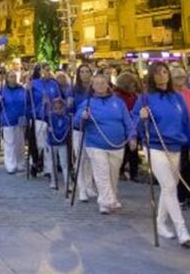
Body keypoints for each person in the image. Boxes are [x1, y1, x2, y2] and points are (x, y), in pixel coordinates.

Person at [134, 62, 190, 247]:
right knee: (169, 187)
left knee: (168, 188)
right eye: (158, 73)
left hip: (176, 146)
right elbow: (135, 125)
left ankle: (161, 222)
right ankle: (181, 229)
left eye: (164, 72)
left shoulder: (177, 98)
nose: (162, 75)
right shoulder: (145, 98)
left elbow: (186, 123)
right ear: (151, 76)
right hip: (155, 146)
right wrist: (141, 117)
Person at [77, 74, 137, 214]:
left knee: (113, 174)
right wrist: (82, 117)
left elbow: (127, 121)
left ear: (108, 84)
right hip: (95, 144)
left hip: (117, 144)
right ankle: (104, 202)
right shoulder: (87, 103)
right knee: (101, 172)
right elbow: (76, 122)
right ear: (92, 86)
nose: (100, 86)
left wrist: (132, 136)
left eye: (103, 83)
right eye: (97, 84)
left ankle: (112, 197)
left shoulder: (118, 102)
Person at [172, 67, 190, 210]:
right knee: (180, 169)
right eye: (177, 77)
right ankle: (179, 198)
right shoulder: (170, 95)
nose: (180, 79)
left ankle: (188, 195)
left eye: (182, 76)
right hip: (176, 137)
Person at [27, 63, 61, 177]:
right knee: (39, 143)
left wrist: (52, 104)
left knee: (49, 143)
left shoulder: (54, 84)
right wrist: (27, 90)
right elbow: (27, 100)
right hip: (37, 117)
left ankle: (48, 168)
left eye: (48, 70)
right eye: (45, 70)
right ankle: (35, 162)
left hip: (50, 117)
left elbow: (59, 100)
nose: (47, 72)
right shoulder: (33, 84)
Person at [71, 64, 98, 202]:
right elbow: (68, 108)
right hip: (78, 127)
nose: (85, 74)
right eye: (82, 72)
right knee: (80, 158)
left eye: (87, 71)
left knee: (91, 158)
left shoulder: (95, 90)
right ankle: (81, 188)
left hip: (92, 127)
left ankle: (89, 185)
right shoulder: (74, 90)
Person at [0, 71, 27, 174]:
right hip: (8, 120)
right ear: (7, 78)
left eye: (15, 76)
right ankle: (10, 164)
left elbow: (26, 102)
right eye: (11, 77)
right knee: (10, 143)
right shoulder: (3, 91)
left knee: (20, 143)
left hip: (20, 119)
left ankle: (20, 163)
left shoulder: (22, 89)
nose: (13, 78)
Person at [115, 72, 141, 183]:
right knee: (125, 152)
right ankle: (120, 171)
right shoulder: (117, 96)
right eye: (132, 85)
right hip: (123, 127)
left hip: (134, 126)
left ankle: (134, 173)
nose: (134, 87)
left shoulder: (135, 95)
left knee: (133, 152)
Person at [47, 98, 71, 190]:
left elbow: (65, 130)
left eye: (60, 108)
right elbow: (42, 114)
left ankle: (67, 182)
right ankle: (53, 181)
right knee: (53, 163)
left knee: (64, 163)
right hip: (52, 143)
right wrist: (45, 103)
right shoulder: (50, 117)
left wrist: (56, 132)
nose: (58, 111)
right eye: (56, 108)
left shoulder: (66, 119)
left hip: (62, 143)